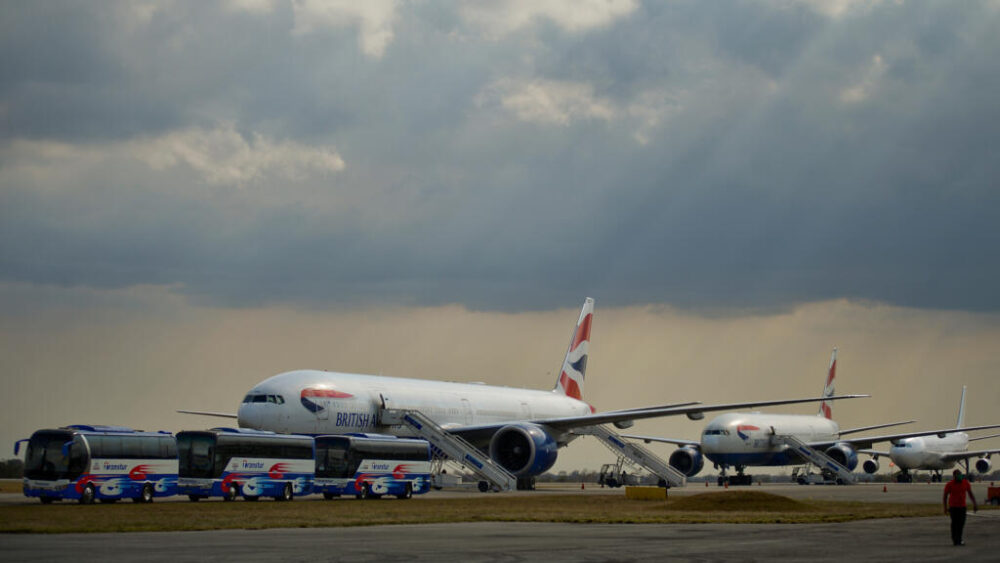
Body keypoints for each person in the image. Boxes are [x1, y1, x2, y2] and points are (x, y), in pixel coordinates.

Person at [942, 468, 978, 546]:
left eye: (960, 475)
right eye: (957, 475)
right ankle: (955, 539)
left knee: (961, 523)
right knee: (954, 523)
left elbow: (970, 494)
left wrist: (974, 504)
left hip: (962, 506)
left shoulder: (965, 483)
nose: (959, 477)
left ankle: (959, 538)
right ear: (954, 476)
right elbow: (945, 496)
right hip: (953, 507)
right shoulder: (949, 484)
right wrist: (945, 507)